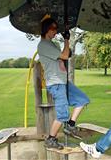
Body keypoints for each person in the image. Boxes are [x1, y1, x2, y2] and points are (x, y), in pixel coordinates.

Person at [37, 17, 90, 150]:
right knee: (62, 115)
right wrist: (66, 39)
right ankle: (51, 139)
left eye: (56, 29)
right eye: (54, 28)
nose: (56, 31)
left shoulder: (52, 44)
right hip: (56, 84)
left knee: (82, 100)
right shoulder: (43, 45)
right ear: (47, 29)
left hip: (63, 82)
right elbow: (65, 56)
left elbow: (66, 54)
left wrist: (66, 46)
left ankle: (70, 126)